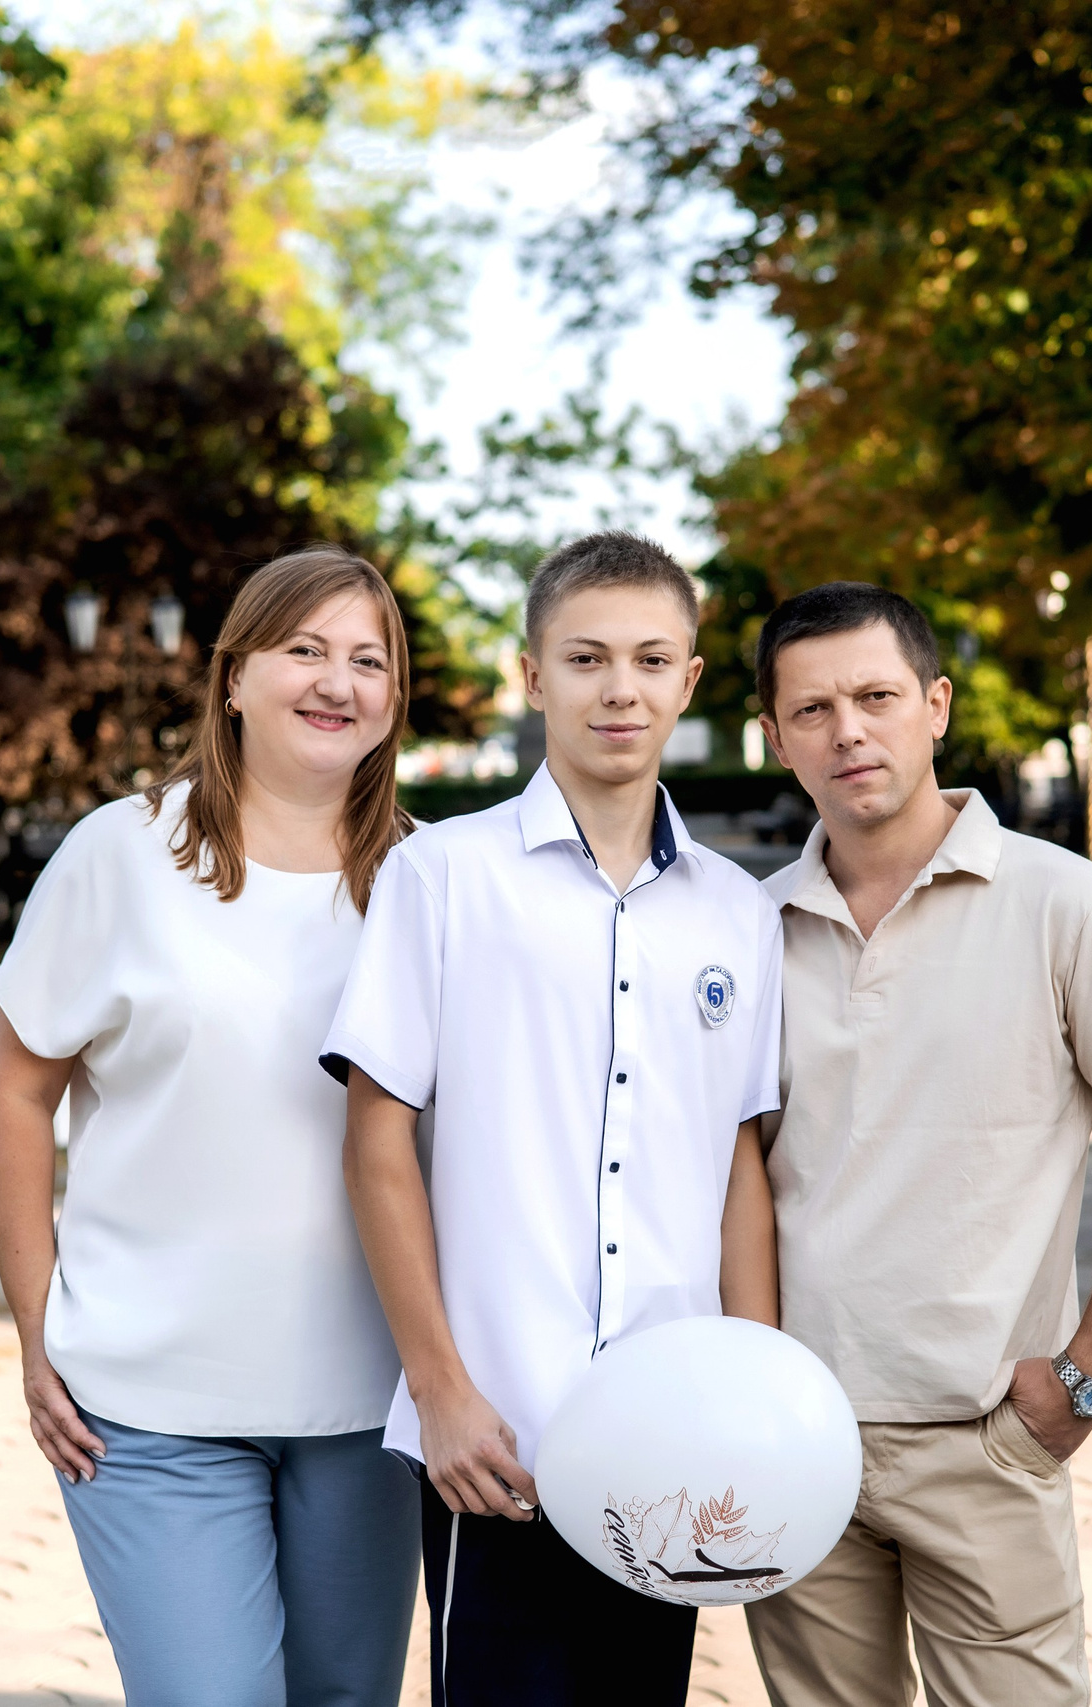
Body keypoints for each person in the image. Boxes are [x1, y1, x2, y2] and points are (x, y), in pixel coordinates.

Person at [325, 531, 784, 1707]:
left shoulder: (738, 914)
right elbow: (377, 1143)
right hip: (502, 1431)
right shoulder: (443, 877)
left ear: (690, 679)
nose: (617, 689)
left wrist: (754, 1390)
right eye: (584, 659)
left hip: (672, 1429)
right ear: (532, 677)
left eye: (649, 659)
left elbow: (738, 1160)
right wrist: (439, 1389)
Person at [745, 582, 1092, 1707]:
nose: (847, 730)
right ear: (773, 737)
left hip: (985, 1436)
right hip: (792, 1437)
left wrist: (1085, 1379)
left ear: (936, 705)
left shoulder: (1068, 905)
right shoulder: (744, 928)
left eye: (875, 696)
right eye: (811, 710)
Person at [0, 547, 422, 1707]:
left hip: (371, 1407)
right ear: (233, 677)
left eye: (367, 660)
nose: (337, 683)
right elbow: (16, 1092)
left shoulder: (429, 885)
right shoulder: (120, 854)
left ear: (393, 698)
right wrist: (35, 1329)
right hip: (149, 1406)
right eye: (304, 651)